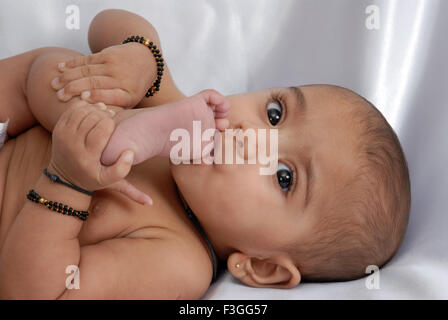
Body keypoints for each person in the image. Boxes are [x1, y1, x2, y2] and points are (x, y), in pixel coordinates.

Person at [0, 9, 410, 299]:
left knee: (72, 95)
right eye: (274, 113)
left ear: (261, 267)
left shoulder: (177, 260)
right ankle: (103, 133)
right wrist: (141, 57)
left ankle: (99, 143)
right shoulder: (178, 111)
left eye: (284, 177)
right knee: (57, 66)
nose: (252, 137)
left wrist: (69, 182)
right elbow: (105, 23)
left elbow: (35, 293)